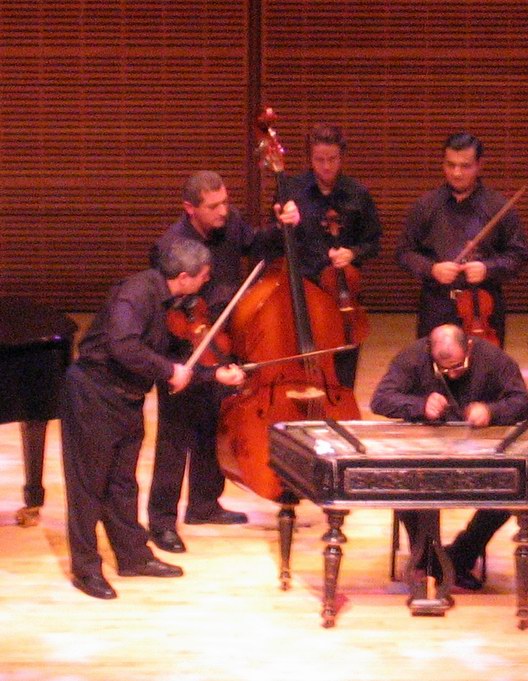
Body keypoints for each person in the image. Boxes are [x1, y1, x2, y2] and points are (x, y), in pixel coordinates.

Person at [60, 238, 246, 600]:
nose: (206, 283)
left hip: (128, 400)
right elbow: (123, 346)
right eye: (204, 277)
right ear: (184, 276)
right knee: (87, 489)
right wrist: (167, 369)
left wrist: (215, 375)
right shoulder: (136, 294)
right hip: (94, 396)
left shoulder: (172, 304)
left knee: (122, 484)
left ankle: (132, 557)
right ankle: (85, 569)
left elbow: (179, 364)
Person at [147, 170, 299, 554]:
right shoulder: (170, 245)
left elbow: (255, 243)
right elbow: (171, 305)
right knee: (174, 437)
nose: (223, 212)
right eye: (213, 207)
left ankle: (203, 504)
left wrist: (282, 227)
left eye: (225, 202)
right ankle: (161, 521)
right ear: (190, 208)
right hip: (184, 346)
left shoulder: (229, 224)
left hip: (224, 339)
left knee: (213, 425)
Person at [370, 323, 528, 590]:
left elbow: (524, 402)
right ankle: (425, 559)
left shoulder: (492, 358)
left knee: (513, 491)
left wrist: (492, 411)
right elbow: (380, 399)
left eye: (458, 366)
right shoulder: (412, 357)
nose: (451, 374)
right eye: (443, 368)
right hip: (426, 451)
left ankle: (461, 555)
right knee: (403, 487)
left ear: (469, 346)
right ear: (429, 350)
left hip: (480, 450)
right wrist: (420, 406)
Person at [261, 123, 382, 388]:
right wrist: (282, 223)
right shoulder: (292, 190)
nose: (326, 166)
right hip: (304, 291)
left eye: (332, 159)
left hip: (343, 295)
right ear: (309, 158)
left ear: (342, 157)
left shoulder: (358, 194)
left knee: (343, 367)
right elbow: (273, 241)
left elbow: (374, 243)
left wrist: (353, 252)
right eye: (319, 160)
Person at [396, 132, 528, 347]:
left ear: (479, 165)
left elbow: (519, 255)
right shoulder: (426, 205)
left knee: (484, 373)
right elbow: (403, 252)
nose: (456, 173)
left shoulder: (498, 206)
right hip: (438, 304)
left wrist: (488, 268)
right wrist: (432, 269)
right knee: (433, 374)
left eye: (465, 166)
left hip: (483, 305)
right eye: (450, 165)